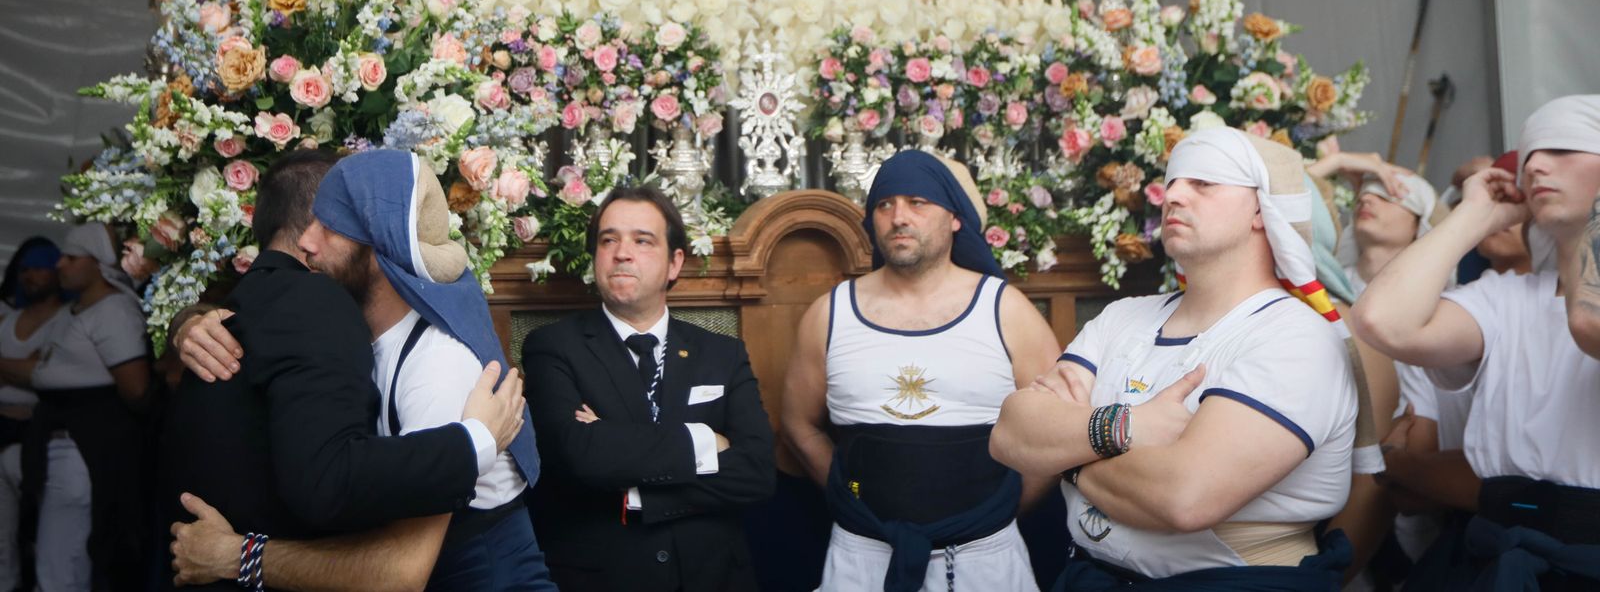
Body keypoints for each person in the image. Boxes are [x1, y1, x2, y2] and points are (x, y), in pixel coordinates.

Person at [1002, 128, 1371, 589]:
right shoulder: (1122, 317)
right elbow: (1011, 431)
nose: (1173, 195)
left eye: (1203, 183)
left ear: (1262, 210)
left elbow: (1184, 497)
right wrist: (1126, 427)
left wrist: (1065, 452)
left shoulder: (1295, 338)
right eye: (1172, 182)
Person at [175, 149, 553, 591]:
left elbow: (398, 573)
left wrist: (236, 556)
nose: (305, 242)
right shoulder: (341, 334)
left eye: (329, 226)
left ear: (380, 245)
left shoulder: (438, 368)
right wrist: (189, 323)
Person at [784, 150, 1065, 591]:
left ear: (954, 218)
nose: (898, 217)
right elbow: (798, 424)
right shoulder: (829, 313)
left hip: (984, 557)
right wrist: (847, 498)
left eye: (917, 202)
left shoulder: (1006, 310)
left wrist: (997, 512)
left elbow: (1058, 428)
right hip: (861, 555)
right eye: (884, 204)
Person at [1350, 94, 1600, 587]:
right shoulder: (1507, 297)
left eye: (1562, 149)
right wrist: (1475, 215)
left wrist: (1586, 228)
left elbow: (1589, 326)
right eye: (1530, 157)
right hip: (1494, 548)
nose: (1536, 166)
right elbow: (1382, 321)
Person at [520, 185, 776, 592]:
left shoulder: (722, 353)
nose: (622, 253)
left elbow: (757, 473)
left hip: (714, 577)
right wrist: (706, 442)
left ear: (675, 263)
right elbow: (579, 457)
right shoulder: (552, 347)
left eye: (642, 241)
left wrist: (635, 489)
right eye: (609, 240)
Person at [0, 225, 152, 590]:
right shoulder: (80, 311)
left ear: (97, 263)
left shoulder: (113, 311)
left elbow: (137, 390)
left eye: (70, 258)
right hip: (57, 440)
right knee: (53, 561)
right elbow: (46, 367)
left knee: (61, 568)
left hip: (82, 446)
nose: (60, 264)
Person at [0, 238, 67, 590]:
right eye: (25, 269)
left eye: (40, 267)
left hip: (40, 439)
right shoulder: (6, 320)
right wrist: (24, 368)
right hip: (1, 434)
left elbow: (41, 374)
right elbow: (31, 370)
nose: (30, 275)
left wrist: (28, 370)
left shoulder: (68, 320)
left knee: (46, 533)